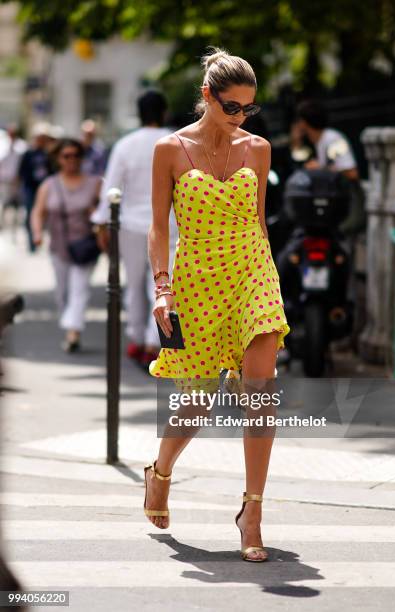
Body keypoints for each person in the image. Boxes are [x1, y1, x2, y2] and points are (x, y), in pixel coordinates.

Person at [145, 47, 290, 562]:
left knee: (259, 391)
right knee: (198, 400)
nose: (240, 118)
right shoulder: (169, 149)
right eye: (232, 107)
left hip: (252, 271)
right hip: (197, 281)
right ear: (207, 96)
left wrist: (270, 283)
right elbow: (159, 227)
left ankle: (252, 512)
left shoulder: (258, 149)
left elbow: (259, 221)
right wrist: (162, 288)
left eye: (248, 109)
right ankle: (160, 473)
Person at [91, 90, 178, 370]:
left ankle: (138, 338)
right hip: (170, 224)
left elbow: (112, 188)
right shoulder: (178, 142)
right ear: (164, 112)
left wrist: (102, 224)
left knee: (136, 283)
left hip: (130, 223)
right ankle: (159, 341)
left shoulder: (126, 145)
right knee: (165, 284)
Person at [31, 138, 102, 352]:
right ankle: (71, 324)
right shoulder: (49, 185)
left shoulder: (95, 183)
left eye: (76, 155)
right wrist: (37, 233)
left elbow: (106, 214)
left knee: (79, 290)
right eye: (66, 156)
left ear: (82, 158)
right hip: (59, 248)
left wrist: (97, 218)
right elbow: (38, 212)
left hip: (85, 247)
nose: (71, 160)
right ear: (58, 159)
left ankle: (73, 332)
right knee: (62, 293)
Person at [294, 99, 366, 236]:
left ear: (303, 123)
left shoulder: (333, 139)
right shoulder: (320, 141)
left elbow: (352, 173)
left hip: (348, 205)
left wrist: (320, 169)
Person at [18, 122, 53, 252]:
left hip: (46, 189)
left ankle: (46, 239)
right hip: (31, 189)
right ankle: (32, 241)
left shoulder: (49, 154)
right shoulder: (29, 153)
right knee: (31, 214)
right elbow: (22, 172)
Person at [0, 124, 27, 229]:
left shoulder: (22, 146)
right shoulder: (2, 145)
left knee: (18, 203)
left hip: (17, 180)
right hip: (4, 180)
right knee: (3, 202)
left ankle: (15, 224)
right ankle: (2, 223)